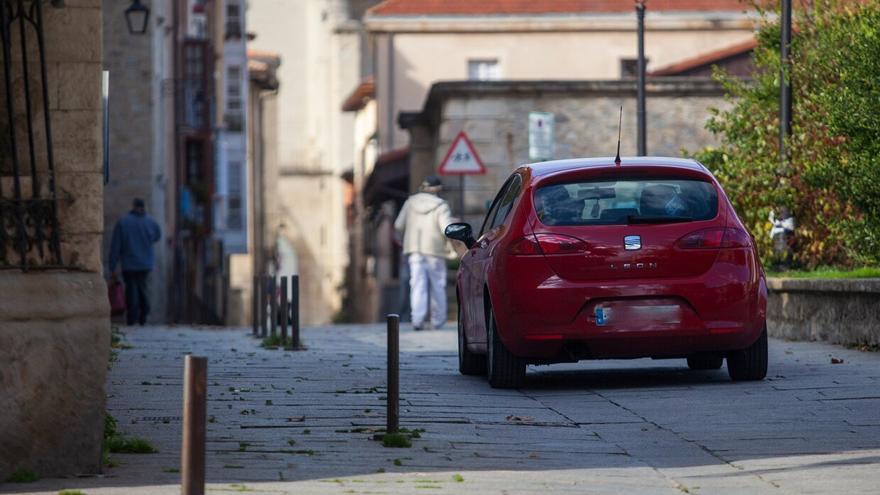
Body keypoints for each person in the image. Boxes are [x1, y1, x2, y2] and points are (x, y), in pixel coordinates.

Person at [394, 175, 454, 330]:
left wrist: (403, 241)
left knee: (417, 285)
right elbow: (446, 229)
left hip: (415, 250)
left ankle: (417, 320)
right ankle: (437, 321)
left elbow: (398, 225)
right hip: (435, 251)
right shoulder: (441, 205)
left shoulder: (410, 203)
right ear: (438, 190)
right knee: (437, 285)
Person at [109, 198, 161, 326]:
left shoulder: (123, 222)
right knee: (143, 288)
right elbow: (157, 236)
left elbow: (116, 246)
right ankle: (144, 315)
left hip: (129, 264)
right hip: (145, 263)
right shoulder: (151, 222)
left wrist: (112, 266)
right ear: (144, 206)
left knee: (131, 290)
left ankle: (132, 317)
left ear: (133, 206)